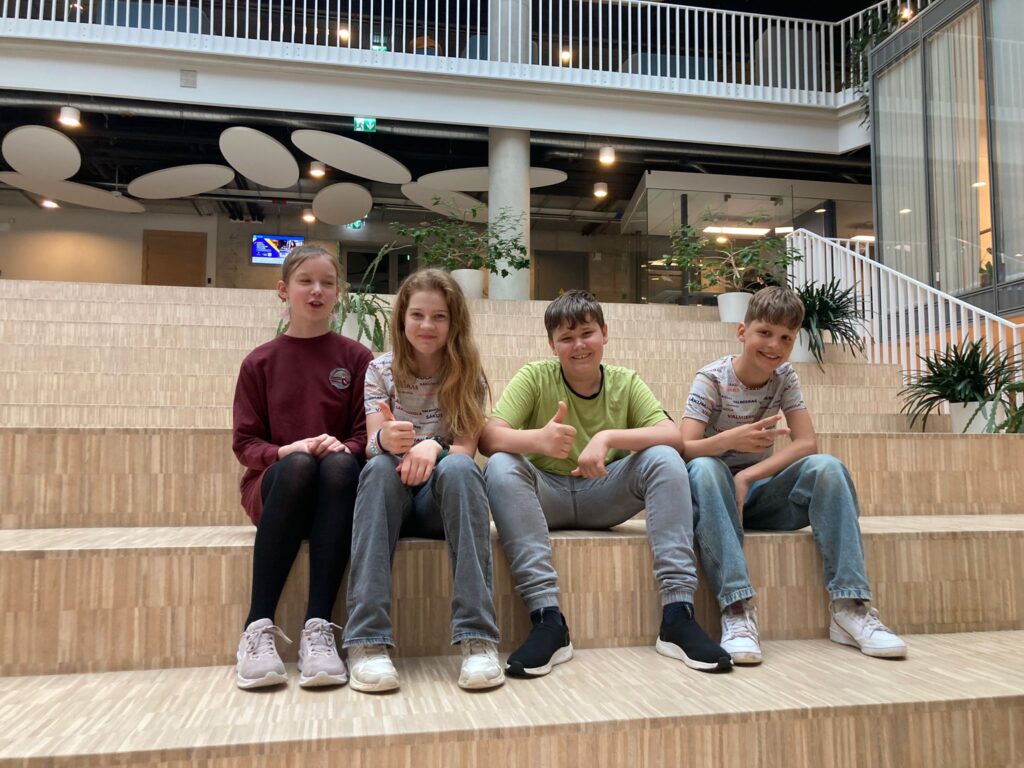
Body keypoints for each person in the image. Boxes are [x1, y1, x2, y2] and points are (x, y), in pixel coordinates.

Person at [480, 289, 731, 678]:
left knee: (665, 458)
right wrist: (538, 440)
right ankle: (547, 619)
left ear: (605, 334)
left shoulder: (625, 382)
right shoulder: (534, 376)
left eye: (587, 333)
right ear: (552, 345)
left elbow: (673, 436)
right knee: (499, 465)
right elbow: (488, 437)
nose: (579, 345)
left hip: (604, 493)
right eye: (566, 337)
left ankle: (678, 615)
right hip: (545, 496)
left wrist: (608, 437)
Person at [680, 286, 907, 665]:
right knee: (703, 467)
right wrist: (730, 441)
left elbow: (806, 443)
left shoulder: (784, 376)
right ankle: (736, 609)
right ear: (742, 332)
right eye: (765, 333)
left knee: (828, 467)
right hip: (712, 499)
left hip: (757, 497)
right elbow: (685, 448)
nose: (774, 345)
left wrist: (747, 477)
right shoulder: (711, 379)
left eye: (786, 337)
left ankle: (849, 607)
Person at [342, 268, 503, 693]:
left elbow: (465, 449)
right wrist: (384, 440)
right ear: (402, 320)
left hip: (439, 501)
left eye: (439, 316)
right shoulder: (379, 370)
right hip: (391, 496)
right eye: (417, 315)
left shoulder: (468, 374)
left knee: (461, 468)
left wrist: (433, 446)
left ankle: (478, 639)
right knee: (377, 468)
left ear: (454, 322)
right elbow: (372, 446)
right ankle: (367, 642)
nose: (427, 326)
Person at [232, 244, 373, 689]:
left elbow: (366, 435)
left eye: (327, 283)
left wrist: (343, 446)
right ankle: (257, 626)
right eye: (305, 281)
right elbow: (245, 444)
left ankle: (319, 628)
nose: (317, 291)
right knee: (299, 466)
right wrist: (284, 451)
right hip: (277, 486)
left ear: (338, 294)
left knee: (339, 465)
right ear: (283, 290)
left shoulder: (357, 359)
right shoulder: (260, 362)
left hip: (334, 490)